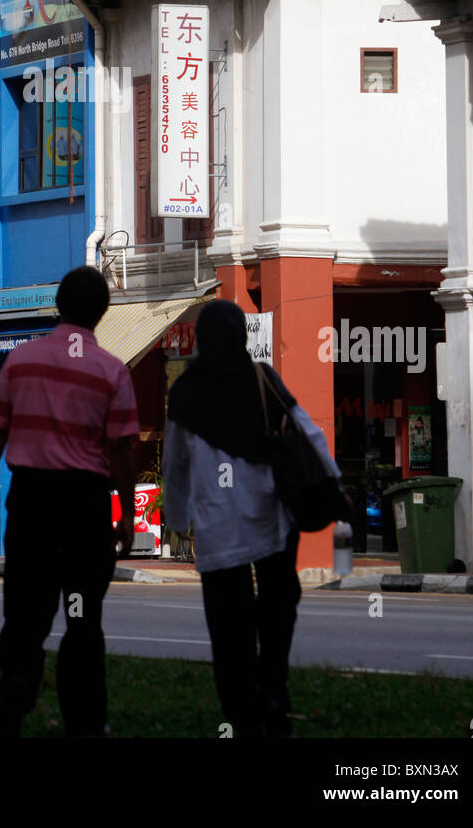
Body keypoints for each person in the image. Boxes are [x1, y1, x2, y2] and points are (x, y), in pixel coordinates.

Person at [0, 265, 139, 739]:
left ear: (57, 304)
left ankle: (18, 682)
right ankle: (84, 718)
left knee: (26, 606)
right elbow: (120, 451)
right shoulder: (112, 372)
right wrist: (123, 516)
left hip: (33, 502)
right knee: (82, 616)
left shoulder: (21, 362)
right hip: (84, 508)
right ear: (102, 313)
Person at [163, 299, 342, 739]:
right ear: (241, 336)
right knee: (279, 610)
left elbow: (176, 464)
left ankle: (242, 712)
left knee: (229, 628)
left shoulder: (186, 393)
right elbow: (309, 432)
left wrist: (177, 516)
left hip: (216, 528)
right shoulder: (261, 379)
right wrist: (333, 488)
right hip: (273, 521)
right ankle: (274, 693)